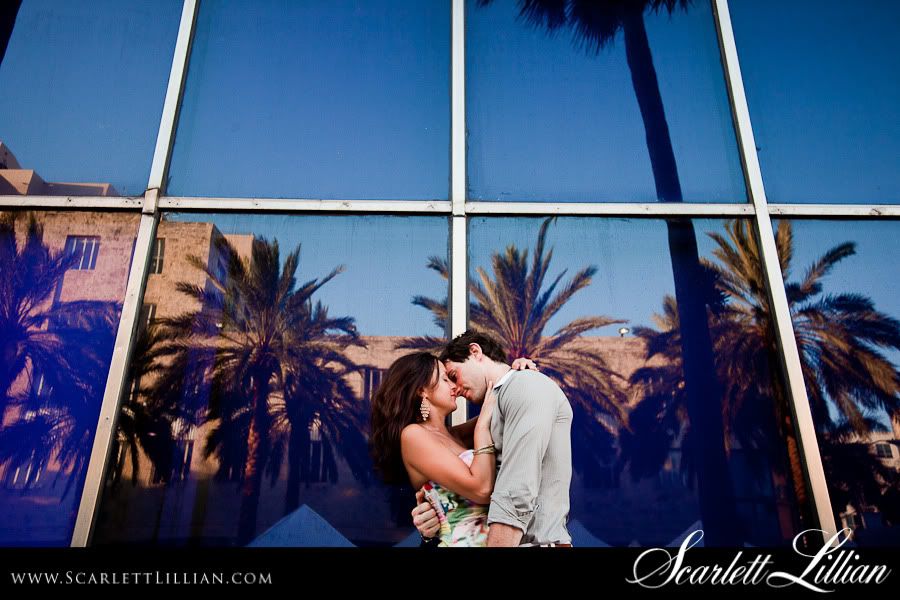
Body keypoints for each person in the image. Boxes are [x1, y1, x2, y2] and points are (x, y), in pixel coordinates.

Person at [413, 330, 573, 547]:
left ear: (475, 352)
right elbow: (441, 442)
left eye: (454, 376)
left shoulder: (525, 385)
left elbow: (516, 493)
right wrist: (435, 511)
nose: (455, 389)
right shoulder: (495, 406)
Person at [369, 351, 536, 547]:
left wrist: (515, 374)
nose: (454, 386)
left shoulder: (454, 435)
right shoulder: (413, 435)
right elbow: (482, 489)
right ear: (422, 390)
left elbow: (502, 408)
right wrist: (481, 428)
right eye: (444, 379)